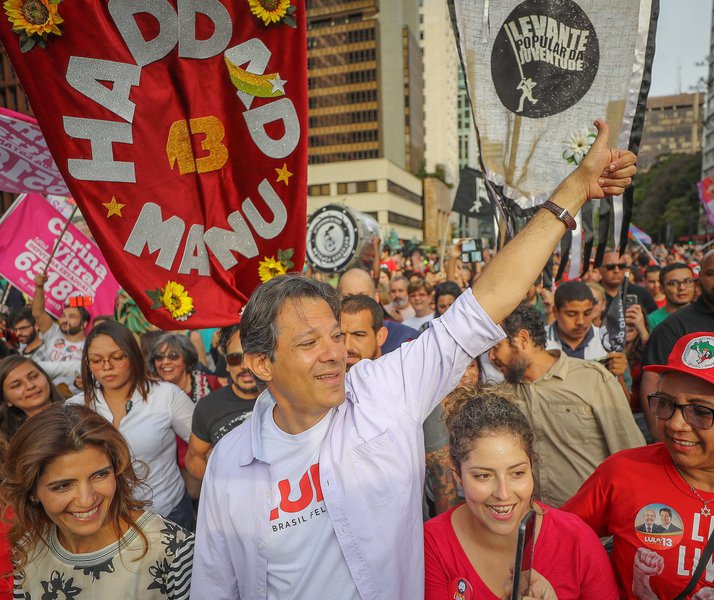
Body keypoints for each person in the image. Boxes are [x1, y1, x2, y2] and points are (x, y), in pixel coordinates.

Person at [191, 119, 637, 599]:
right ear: (260, 364)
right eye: (308, 343)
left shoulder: (386, 390)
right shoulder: (231, 464)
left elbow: (486, 301)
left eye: (337, 336)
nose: (334, 354)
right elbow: (216, 585)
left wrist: (573, 191)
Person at [424, 390, 618, 599]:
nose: (503, 493)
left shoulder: (576, 540)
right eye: (483, 476)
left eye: (517, 473)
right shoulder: (432, 544)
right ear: (458, 475)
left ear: (531, 466)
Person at [563, 332, 714, 599]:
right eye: (666, 404)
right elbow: (556, 541)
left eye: (700, 412)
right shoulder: (623, 472)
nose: (676, 424)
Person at [1, 403, 194, 599]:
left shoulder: (174, 553)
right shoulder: (28, 548)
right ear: (32, 491)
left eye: (100, 475)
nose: (86, 500)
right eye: (63, 486)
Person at [490, 303, 644, 507]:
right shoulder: (503, 395)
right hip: (534, 526)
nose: (491, 357)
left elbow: (630, 454)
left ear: (522, 340)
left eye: (496, 347)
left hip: (594, 527)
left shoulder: (592, 380)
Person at [67, 321, 195, 531]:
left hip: (168, 513)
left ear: (133, 355)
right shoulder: (75, 408)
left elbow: (202, 444)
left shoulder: (166, 396)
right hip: (106, 521)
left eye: (117, 357)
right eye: (97, 360)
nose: (107, 367)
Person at [339, 294, 458, 515]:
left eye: (358, 335)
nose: (347, 346)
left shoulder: (408, 386)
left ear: (381, 335)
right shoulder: (327, 393)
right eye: (340, 335)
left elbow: (441, 473)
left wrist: (442, 541)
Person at [640, 250, 714, 439]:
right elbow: (652, 381)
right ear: (700, 279)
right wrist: (662, 440)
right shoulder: (672, 328)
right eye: (712, 273)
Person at [185, 325, 259, 480]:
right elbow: (194, 457)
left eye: (252, 355)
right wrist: (218, 487)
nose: (244, 366)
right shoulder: (208, 407)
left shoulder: (285, 398)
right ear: (226, 363)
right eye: (235, 358)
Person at [32, 272, 90, 395]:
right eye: (63, 315)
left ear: (84, 324)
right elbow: (38, 313)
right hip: (45, 394)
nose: (65, 320)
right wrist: (40, 287)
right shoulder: (53, 332)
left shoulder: (90, 346)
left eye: (72, 316)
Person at [337, 268, 419, 353]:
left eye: (363, 297)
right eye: (347, 297)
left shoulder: (404, 339)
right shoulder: (328, 336)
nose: (355, 304)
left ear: (376, 298)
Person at [0, 356, 63, 440]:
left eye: (34, 376)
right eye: (16, 385)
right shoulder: (16, 442)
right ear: (6, 400)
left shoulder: (80, 408)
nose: (30, 385)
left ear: (46, 377)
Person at [599, 250, 657, 315]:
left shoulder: (641, 293)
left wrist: (641, 324)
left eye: (621, 266)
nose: (616, 270)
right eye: (610, 267)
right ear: (600, 269)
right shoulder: (592, 293)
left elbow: (654, 321)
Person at [646, 263, 695, 331]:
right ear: (662, 289)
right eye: (673, 283)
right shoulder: (651, 320)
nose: (682, 287)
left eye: (688, 281)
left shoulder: (707, 315)